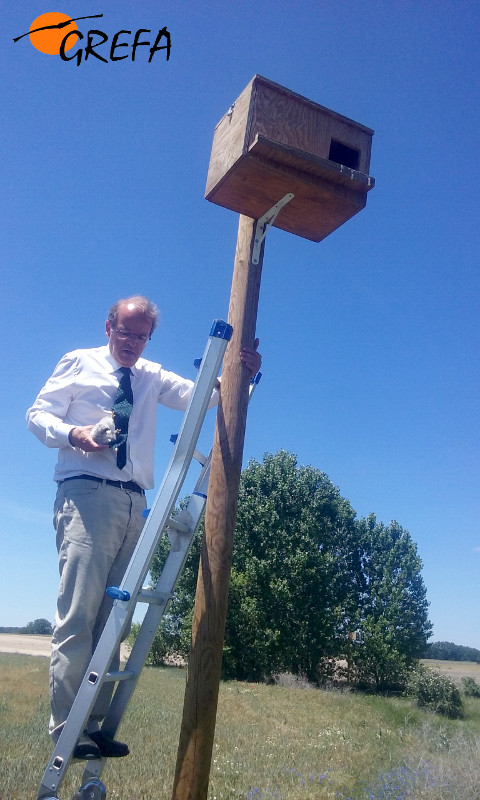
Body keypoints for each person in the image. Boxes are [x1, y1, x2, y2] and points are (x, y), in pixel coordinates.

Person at [26, 295, 261, 760]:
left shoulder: (151, 376)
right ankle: (65, 732)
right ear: (108, 326)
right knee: (78, 616)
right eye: (125, 331)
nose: (132, 342)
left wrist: (242, 373)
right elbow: (37, 415)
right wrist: (77, 435)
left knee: (112, 620)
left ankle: (90, 727)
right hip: (86, 491)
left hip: (136, 502)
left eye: (141, 335)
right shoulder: (79, 361)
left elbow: (207, 396)